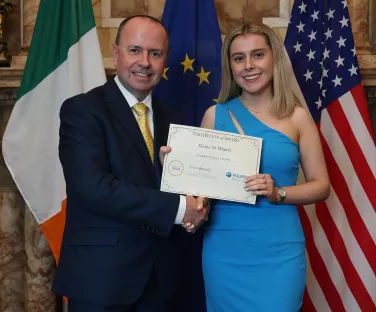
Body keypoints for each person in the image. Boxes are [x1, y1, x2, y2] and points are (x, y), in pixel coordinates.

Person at [52, 15, 208, 312]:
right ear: (116, 54)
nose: (145, 62)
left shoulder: (171, 116)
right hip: (101, 279)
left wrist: (199, 202)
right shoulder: (82, 110)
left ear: (165, 61)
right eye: (135, 50)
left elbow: (180, 182)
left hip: (162, 279)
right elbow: (93, 188)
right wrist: (179, 209)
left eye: (155, 53)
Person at [182, 23, 330, 311]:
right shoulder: (214, 116)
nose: (248, 66)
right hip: (224, 251)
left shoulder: (297, 118)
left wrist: (280, 194)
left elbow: (321, 185)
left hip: (280, 251)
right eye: (239, 58)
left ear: (274, 58)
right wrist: (175, 166)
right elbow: (198, 189)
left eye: (258, 55)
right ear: (231, 66)